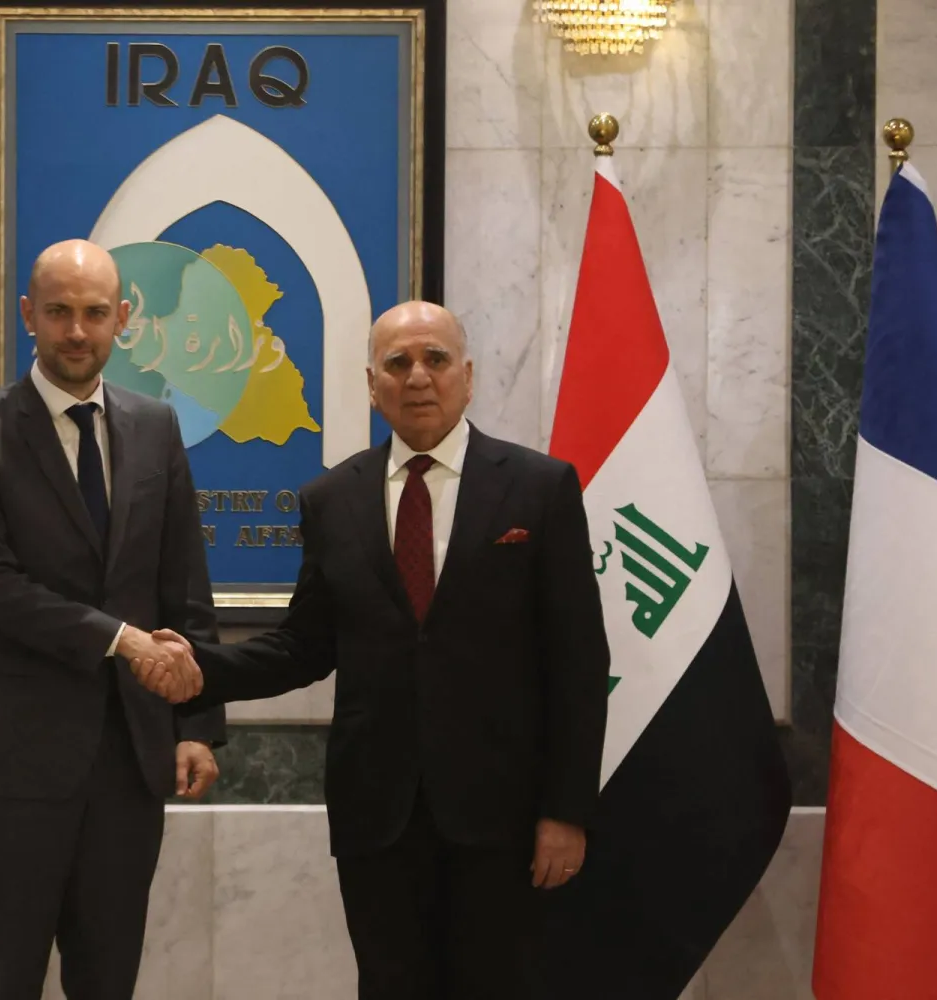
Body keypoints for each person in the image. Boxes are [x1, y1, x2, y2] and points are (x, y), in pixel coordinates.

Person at [137, 301, 611, 999]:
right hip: (377, 817)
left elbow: (578, 662)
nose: (418, 377)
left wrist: (566, 811)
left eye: (436, 360)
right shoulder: (332, 499)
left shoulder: (539, 489)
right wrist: (197, 670)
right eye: (398, 363)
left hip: (503, 817)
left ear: (468, 376)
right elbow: (303, 647)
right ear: (371, 383)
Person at [0, 239, 221, 1000]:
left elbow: (183, 583)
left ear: (123, 319)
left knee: (108, 979)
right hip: (12, 765)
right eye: (58, 312)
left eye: (95, 313)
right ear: (28, 315)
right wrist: (120, 640)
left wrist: (194, 726)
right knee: (4, 979)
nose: (76, 331)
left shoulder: (155, 428)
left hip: (129, 761)